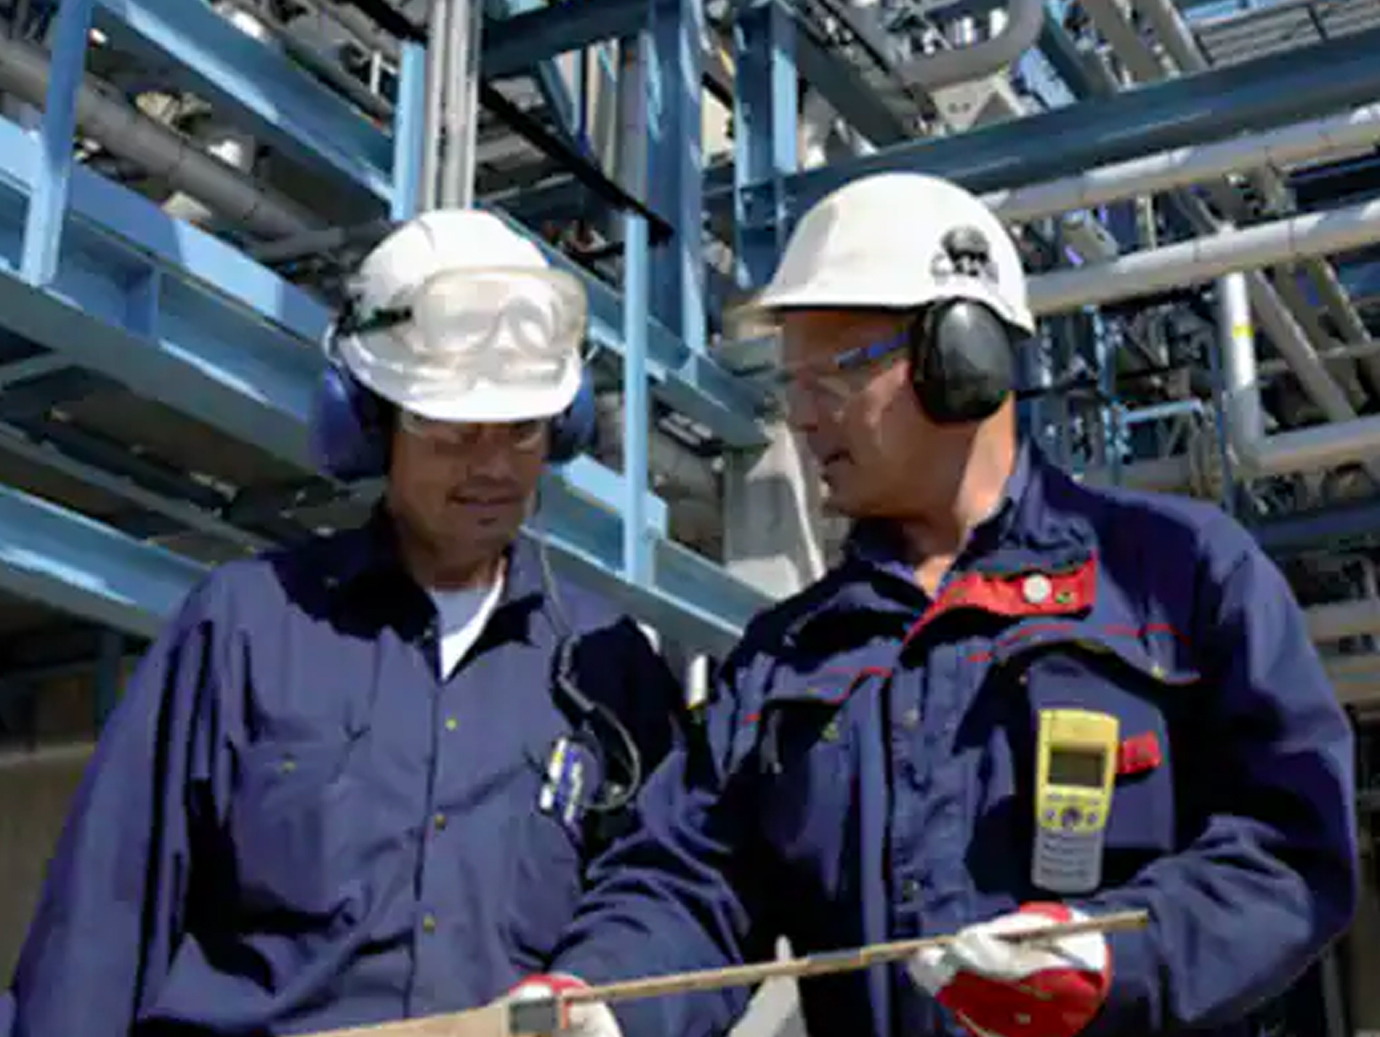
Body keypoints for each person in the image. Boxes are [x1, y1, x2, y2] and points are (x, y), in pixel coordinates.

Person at [506, 172, 1360, 1037]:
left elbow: (1291, 846)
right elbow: (689, 877)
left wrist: (1120, 956)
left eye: (830, 376)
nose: (800, 416)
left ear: (962, 360)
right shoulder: (785, 660)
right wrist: (604, 996)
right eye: (790, 382)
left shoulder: (1176, 576)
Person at [1, 208, 690, 1036]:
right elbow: (105, 917)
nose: (492, 466)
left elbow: (670, 891)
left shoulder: (607, 670)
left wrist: (603, 989)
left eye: (522, 429)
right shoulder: (248, 627)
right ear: (370, 422)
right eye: (449, 428)